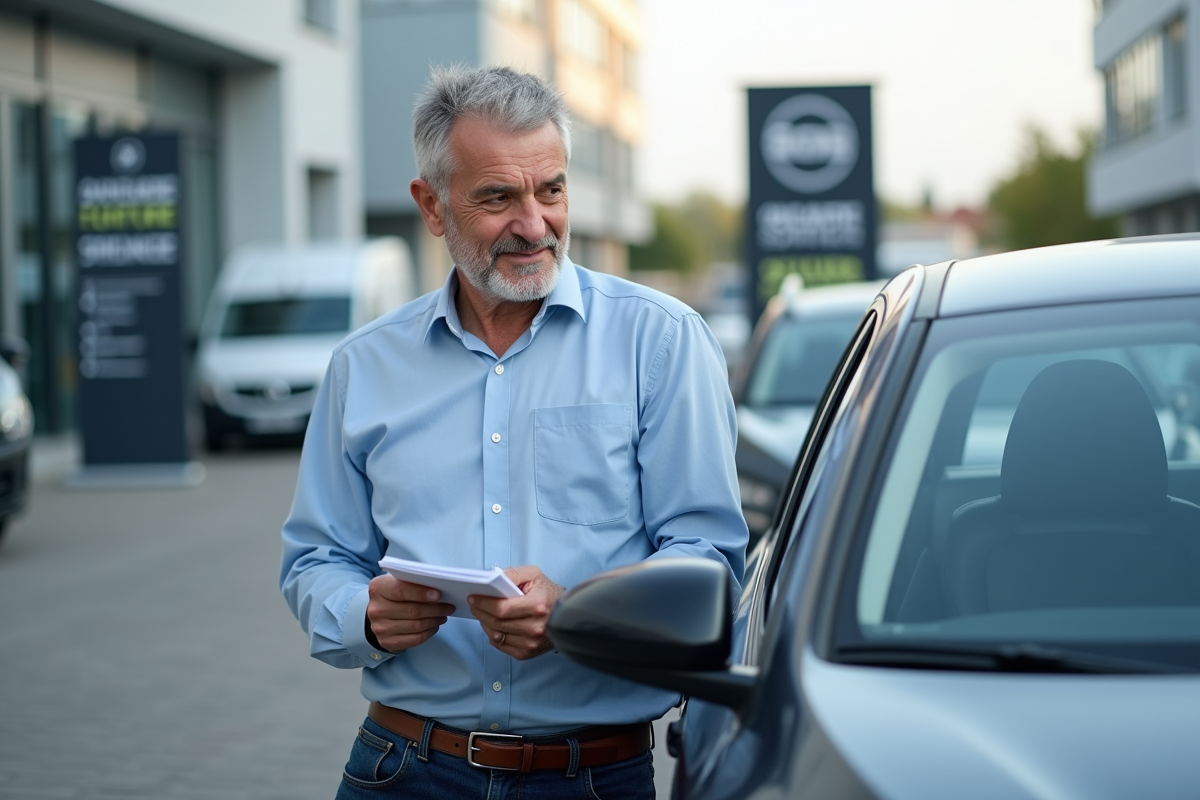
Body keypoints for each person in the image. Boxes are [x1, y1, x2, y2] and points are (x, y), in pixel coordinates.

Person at [280, 65, 747, 800]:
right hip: (402, 769)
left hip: (591, 777)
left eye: (551, 190)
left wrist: (579, 613)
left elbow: (707, 560)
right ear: (432, 206)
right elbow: (317, 557)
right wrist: (362, 614)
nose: (534, 224)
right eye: (499, 197)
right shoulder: (363, 366)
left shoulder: (661, 341)